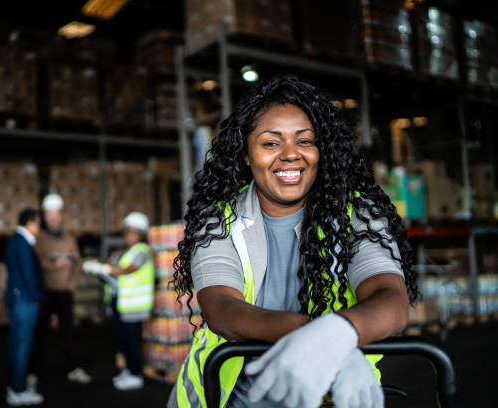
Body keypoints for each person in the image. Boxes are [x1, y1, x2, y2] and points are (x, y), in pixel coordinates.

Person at [168, 76, 419, 408]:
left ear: (321, 150)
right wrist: (326, 340)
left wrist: (339, 334)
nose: (290, 155)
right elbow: (222, 308)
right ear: (245, 155)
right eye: (271, 143)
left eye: (305, 141)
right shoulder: (218, 220)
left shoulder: (358, 214)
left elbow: (391, 298)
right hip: (229, 398)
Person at [84, 211, 155, 391]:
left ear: (138, 233)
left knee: (132, 341)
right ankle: (129, 370)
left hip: (133, 306)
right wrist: (101, 266)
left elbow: (127, 270)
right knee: (122, 340)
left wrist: (105, 268)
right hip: (121, 303)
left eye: (129, 232)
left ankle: (135, 374)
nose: (126, 236)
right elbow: (113, 263)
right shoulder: (126, 250)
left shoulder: (142, 251)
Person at [29, 193, 92, 389]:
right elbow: (35, 263)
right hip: (47, 293)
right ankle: (33, 373)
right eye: (50, 215)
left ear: (61, 216)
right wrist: (54, 263)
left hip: (65, 292)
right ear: (45, 217)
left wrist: (72, 283)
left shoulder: (69, 239)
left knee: (68, 334)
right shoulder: (39, 239)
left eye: (56, 214)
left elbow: (77, 262)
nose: (54, 218)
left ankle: (73, 369)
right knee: (40, 335)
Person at [4, 208, 46, 406]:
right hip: (25, 301)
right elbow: (29, 274)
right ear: (31, 222)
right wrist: (37, 296)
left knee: (17, 345)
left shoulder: (17, 242)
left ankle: (16, 385)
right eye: (38, 223)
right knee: (22, 346)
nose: (39, 227)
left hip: (18, 299)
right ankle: (18, 390)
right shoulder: (22, 244)